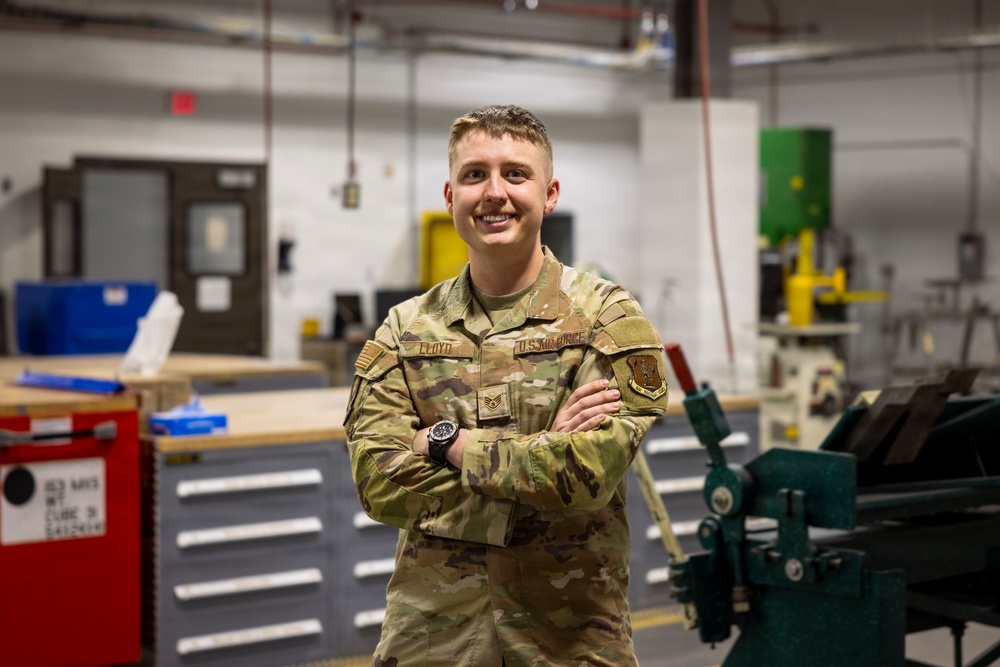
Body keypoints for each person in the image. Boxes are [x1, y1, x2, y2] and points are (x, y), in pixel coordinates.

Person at [345, 104, 669, 666]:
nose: (494, 192)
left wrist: (445, 444)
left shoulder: (607, 317)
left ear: (550, 194)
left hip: (569, 638)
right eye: (475, 175)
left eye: (515, 174)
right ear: (451, 197)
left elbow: (587, 474)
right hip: (431, 638)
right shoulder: (405, 328)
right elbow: (377, 481)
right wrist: (539, 466)